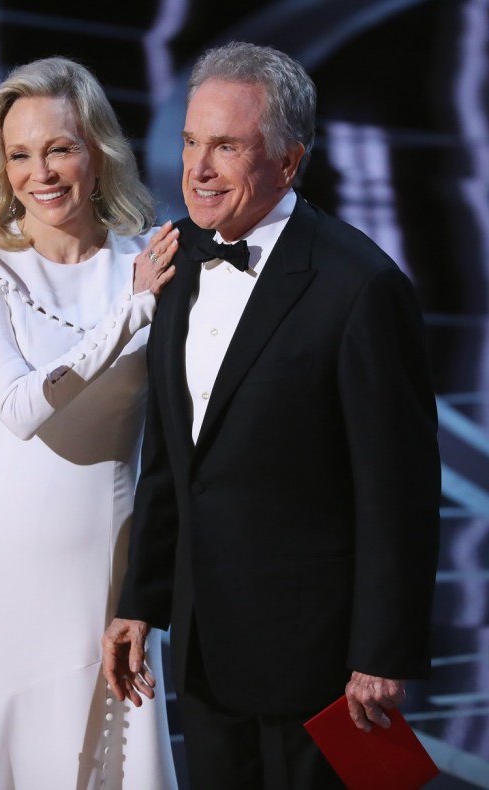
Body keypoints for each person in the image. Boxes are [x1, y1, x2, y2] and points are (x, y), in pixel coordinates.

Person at [102, 41, 441, 789]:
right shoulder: (179, 260)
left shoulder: (361, 287)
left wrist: (381, 652)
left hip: (318, 663)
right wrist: (141, 599)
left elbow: (400, 492)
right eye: (192, 141)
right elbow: (172, 452)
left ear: (288, 162)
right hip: (204, 646)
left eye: (226, 146)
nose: (197, 168)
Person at [0, 56, 180, 790]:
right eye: (20, 154)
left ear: (98, 151)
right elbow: (20, 407)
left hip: (107, 555)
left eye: (60, 148)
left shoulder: (149, 259)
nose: (41, 172)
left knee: (110, 747)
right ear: (2, 169)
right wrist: (129, 310)